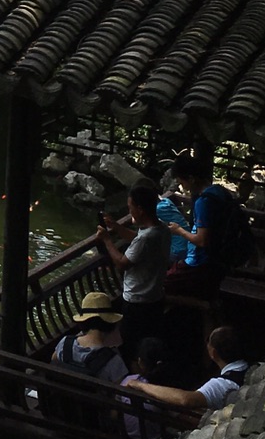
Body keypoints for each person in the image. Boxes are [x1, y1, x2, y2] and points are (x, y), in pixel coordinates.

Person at [94, 179, 169, 353]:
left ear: (140, 209)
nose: (129, 211)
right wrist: (116, 226)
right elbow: (137, 240)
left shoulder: (145, 239)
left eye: (130, 207)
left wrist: (107, 240)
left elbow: (122, 264)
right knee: (150, 342)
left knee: (132, 345)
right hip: (156, 298)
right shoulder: (162, 229)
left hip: (137, 302)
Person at [164, 155, 253, 297]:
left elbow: (202, 240)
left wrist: (178, 230)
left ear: (191, 179)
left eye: (182, 181)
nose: (182, 186)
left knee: (159, 285)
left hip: (199, 264)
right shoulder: (219, 191)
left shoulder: (203, 202)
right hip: (217, 260)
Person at [125, 324, 251, 414]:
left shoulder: (222, 384)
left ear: (213, 353)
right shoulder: (249, 367)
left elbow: (186, 400)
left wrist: (141, 386)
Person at [51, 291, 129, 387]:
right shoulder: (113, 360)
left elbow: (54, 361)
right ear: (109, 323)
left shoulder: (65, 343)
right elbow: (121, 389)